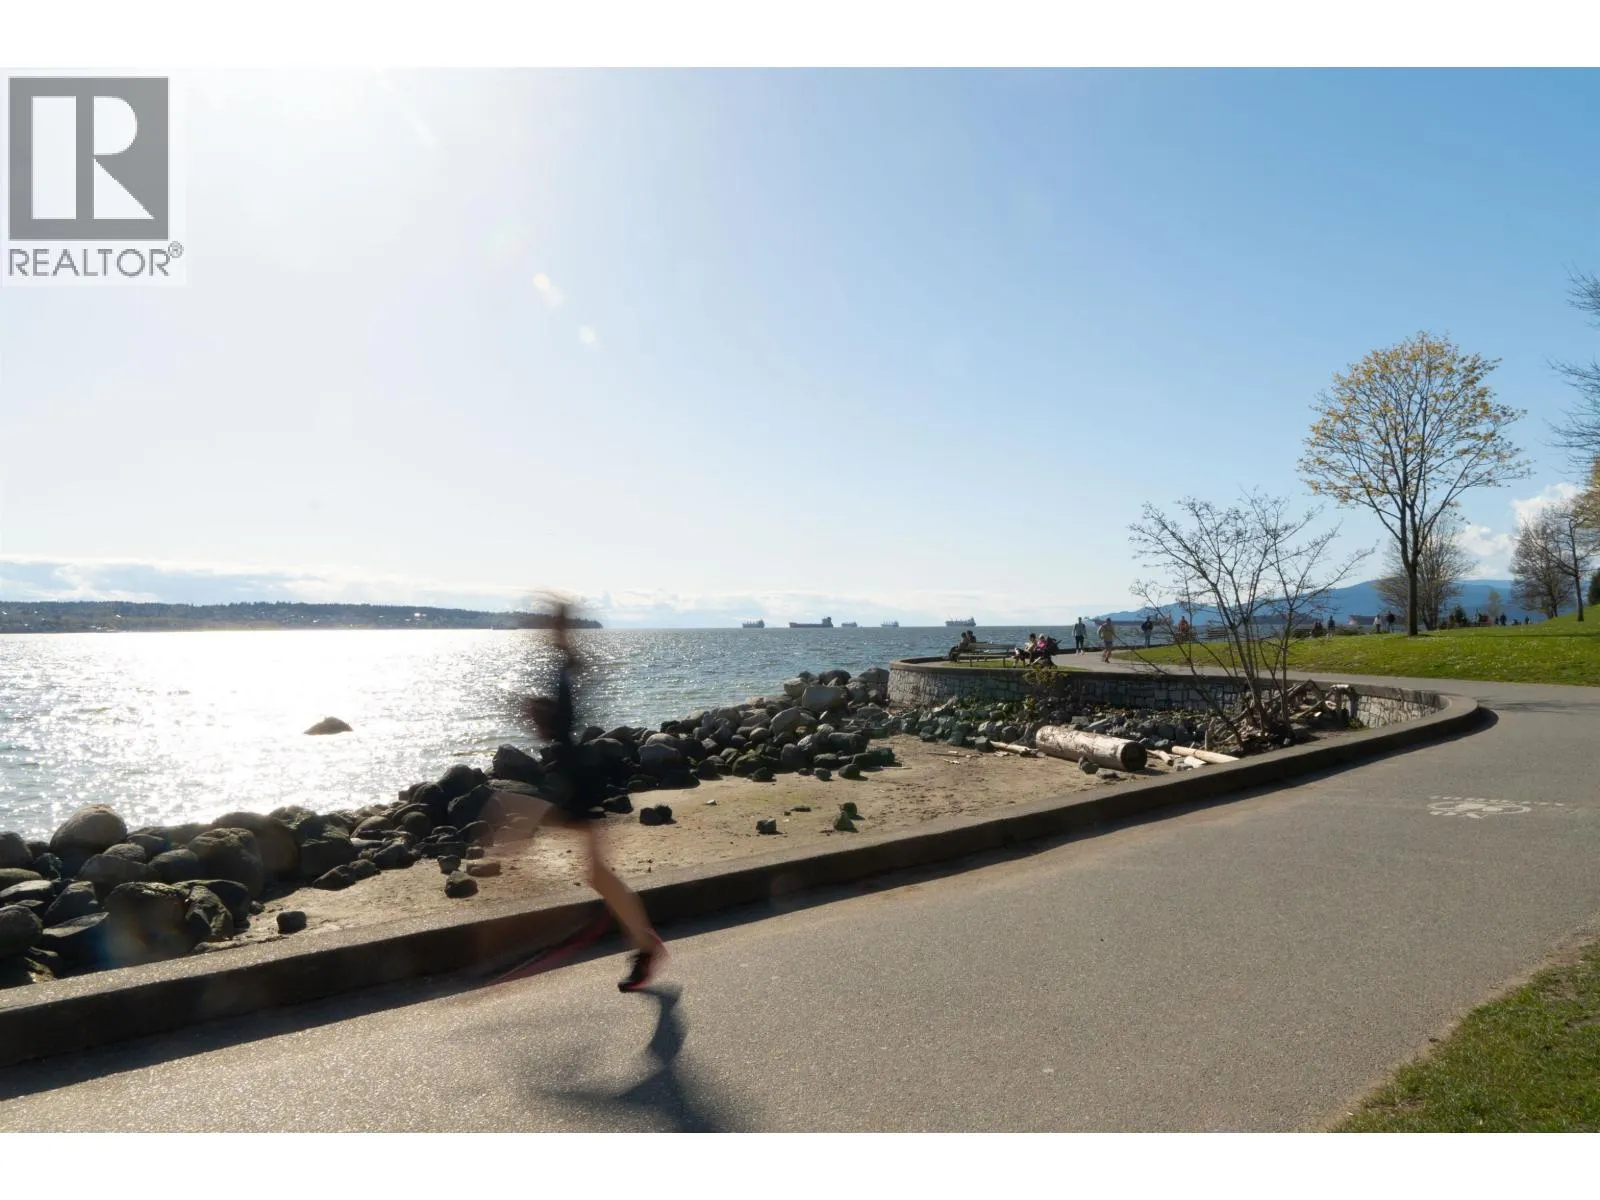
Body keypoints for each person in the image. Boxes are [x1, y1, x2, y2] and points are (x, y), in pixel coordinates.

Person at [518, 601, 665, 993]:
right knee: (597, 873)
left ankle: (646, 946)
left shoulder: (565, 677)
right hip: (571, 777)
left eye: (553, 622)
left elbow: (568, 688)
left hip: (577, 780)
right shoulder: (562, 675)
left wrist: (561, 636)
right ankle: (645, 945)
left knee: (596, 872)